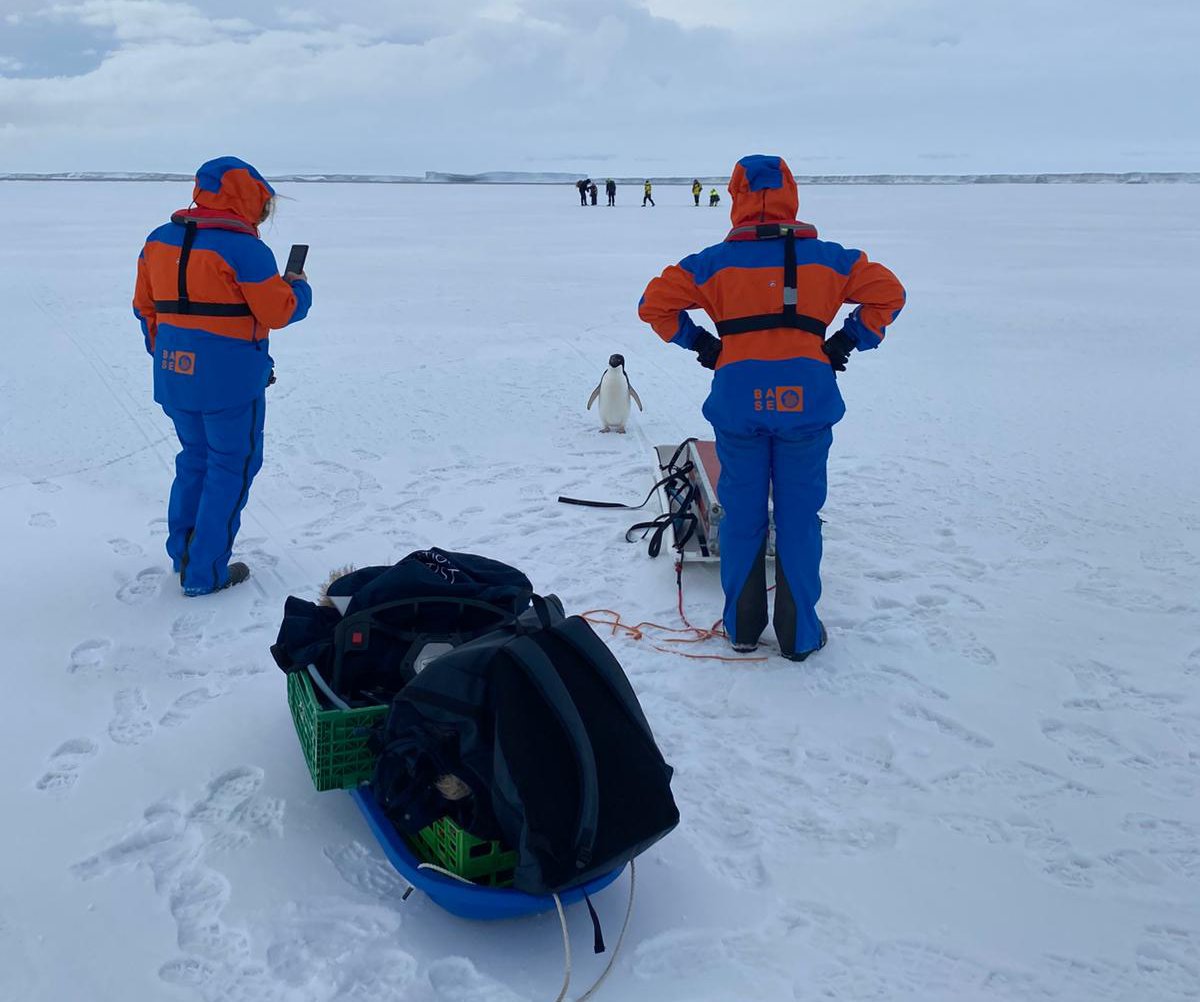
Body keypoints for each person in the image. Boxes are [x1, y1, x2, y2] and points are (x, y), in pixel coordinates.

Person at [637, 154, 904, 660]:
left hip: (739, 402)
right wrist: (847, 341)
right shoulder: (831, 258)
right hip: (807, 401)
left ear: (737, 198)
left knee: (741, 516)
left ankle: (740, 628)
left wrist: (704, 345)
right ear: (792, 195)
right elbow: (889, 294)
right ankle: (800, 636)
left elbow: (654, 305)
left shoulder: (711, 263)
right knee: (800, 518)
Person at [132, 157, 312, 596]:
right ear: (248, 199)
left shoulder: (158, 240)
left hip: (176, 376)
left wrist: (169, 353)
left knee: (195, 459)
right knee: (230, 467)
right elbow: (278, 310)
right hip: (230, 384)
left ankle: (184, 555)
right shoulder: (245, 249)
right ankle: (204, 574)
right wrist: (299, 286)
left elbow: (144, 308)